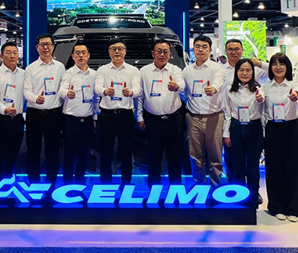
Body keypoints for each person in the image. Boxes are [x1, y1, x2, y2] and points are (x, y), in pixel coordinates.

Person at [262, 52, 298, 223]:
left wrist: (295, 95)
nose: (278, 67)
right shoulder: (265, 87)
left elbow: (297, 92)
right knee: (273, 168)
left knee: (294, 167)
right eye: (274, 64)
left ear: (287, 67)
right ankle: (276, 206)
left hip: (292, 128)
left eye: (282, 64)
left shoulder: (295, 84)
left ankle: (294, 208)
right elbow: (259, 103)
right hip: (273, 128)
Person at [136, 39, 185, 185]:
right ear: (153, 53)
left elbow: (182, 84)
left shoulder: (175, 70)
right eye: (159, 51)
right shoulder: (144, 71)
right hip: (152, 120)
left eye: (165, 52)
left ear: (170, 54)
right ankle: (153, 188)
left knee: (175, 156)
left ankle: (175, 189)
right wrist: (139, 117)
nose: (162, 54)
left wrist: (176, 86)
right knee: (154, 156)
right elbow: (140, 95)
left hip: (173, 119)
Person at [95, 37, 141, 184]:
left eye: (120, 49)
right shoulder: (102, 70)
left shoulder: (133, 70)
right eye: (113, 49)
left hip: (125, 116)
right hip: (107, 115)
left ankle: (126, 183)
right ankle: (105, 184)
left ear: (125, 51)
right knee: (105, 151)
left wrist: (131, 92)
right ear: (109, 52)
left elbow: (138, 89)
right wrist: (104, 91)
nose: (117, 52)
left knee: (126, 151)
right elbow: (97, 87)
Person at [182, 35, 226, 185]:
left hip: (214, 116)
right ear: (193, 49)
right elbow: (184, 92)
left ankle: (216, 187)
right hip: (193, 117)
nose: (200, 50)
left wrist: (213, 88)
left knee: (215, 156)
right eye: (198, 46)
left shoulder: (217, 68)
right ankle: (199, 187)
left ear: (210, 50)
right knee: (195, 156)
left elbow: (219, 80)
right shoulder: (187, 70)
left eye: (204, 47)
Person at [23, 33, 66, 184]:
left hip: (54, 115)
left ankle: (51, 184)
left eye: (48, 44)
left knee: (53, 152)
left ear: (53, 47)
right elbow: (26, 91)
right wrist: (35, 98)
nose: (45, 47)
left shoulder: (60, 67)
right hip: (34, 114)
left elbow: (63, 88)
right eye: (42, 45)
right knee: (33, 151)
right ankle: (34, 184)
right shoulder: (30, 68)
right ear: (37, 48)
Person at [223, 58, 265, 208]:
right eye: (241, 70)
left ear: (253, 72)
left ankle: (253, 197)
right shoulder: (229, 90)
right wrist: (226, 134)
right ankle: (239, 196)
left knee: (253, 166)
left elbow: (264, 110)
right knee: (238, 165)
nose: (245, 73)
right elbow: (227, 112)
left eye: (248, 70)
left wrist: (260, 99)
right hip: (236, 128)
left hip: (254, 128)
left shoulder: (260, 89)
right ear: (236, 72)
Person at [0, 42, 26, 187]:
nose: (12, 56)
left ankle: (8, 187)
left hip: (17, 120)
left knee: (13, 156)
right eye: (8, 53)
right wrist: (5, 109)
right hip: (1, 120)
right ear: (1, 56)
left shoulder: (23, 74)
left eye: (15, 52)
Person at [59, 43, 98, 183]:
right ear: (73, 56)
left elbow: (96, 98)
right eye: (77, 53)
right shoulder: (68, 73)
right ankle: (68, 185)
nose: (81, 56)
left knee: (84, 155)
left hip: (87, 120)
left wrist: (95, 117)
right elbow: (61, 90)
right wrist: (67, 93)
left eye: (83, 52)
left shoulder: (94, 75)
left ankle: (80, 183)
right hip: (70, 121)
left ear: (88, 55)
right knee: (69, 155)